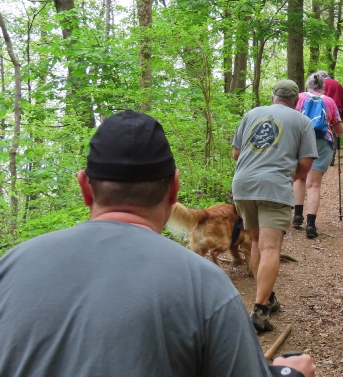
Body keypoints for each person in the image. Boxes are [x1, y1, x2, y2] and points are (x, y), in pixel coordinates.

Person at [0, 110, 315, 377]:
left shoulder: (11, 266)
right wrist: (290, 373)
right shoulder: (204, 284)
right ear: (174, 190)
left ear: (85, 187)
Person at [232, 80, 318, 334]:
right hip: (274, 187)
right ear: (296, 101)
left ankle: (267, 297)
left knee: (257, 242)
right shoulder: (302, 121)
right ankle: (259, 310)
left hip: (243, 185)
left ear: (273, 97)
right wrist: (285, 177)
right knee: (270, 247)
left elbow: (236, 154)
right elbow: (306, 165)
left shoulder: (252, 114)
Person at [293, 71, 343, 238]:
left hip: (300, 142)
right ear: (324, 87)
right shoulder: (329, 101)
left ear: (307, 85)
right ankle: (311, 225)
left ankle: (297, 216)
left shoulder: (299, 98)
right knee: (314, 185)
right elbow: (339, 129)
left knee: (300, 178)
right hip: (322, 143)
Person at [319, 70, 343, 165]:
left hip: (322, 109)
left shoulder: (319, 84)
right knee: (334, 134)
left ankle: (321, 156)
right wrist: (342, 116)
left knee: (322, 131)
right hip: (337, 110)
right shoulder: (337, 84)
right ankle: (331, 159)